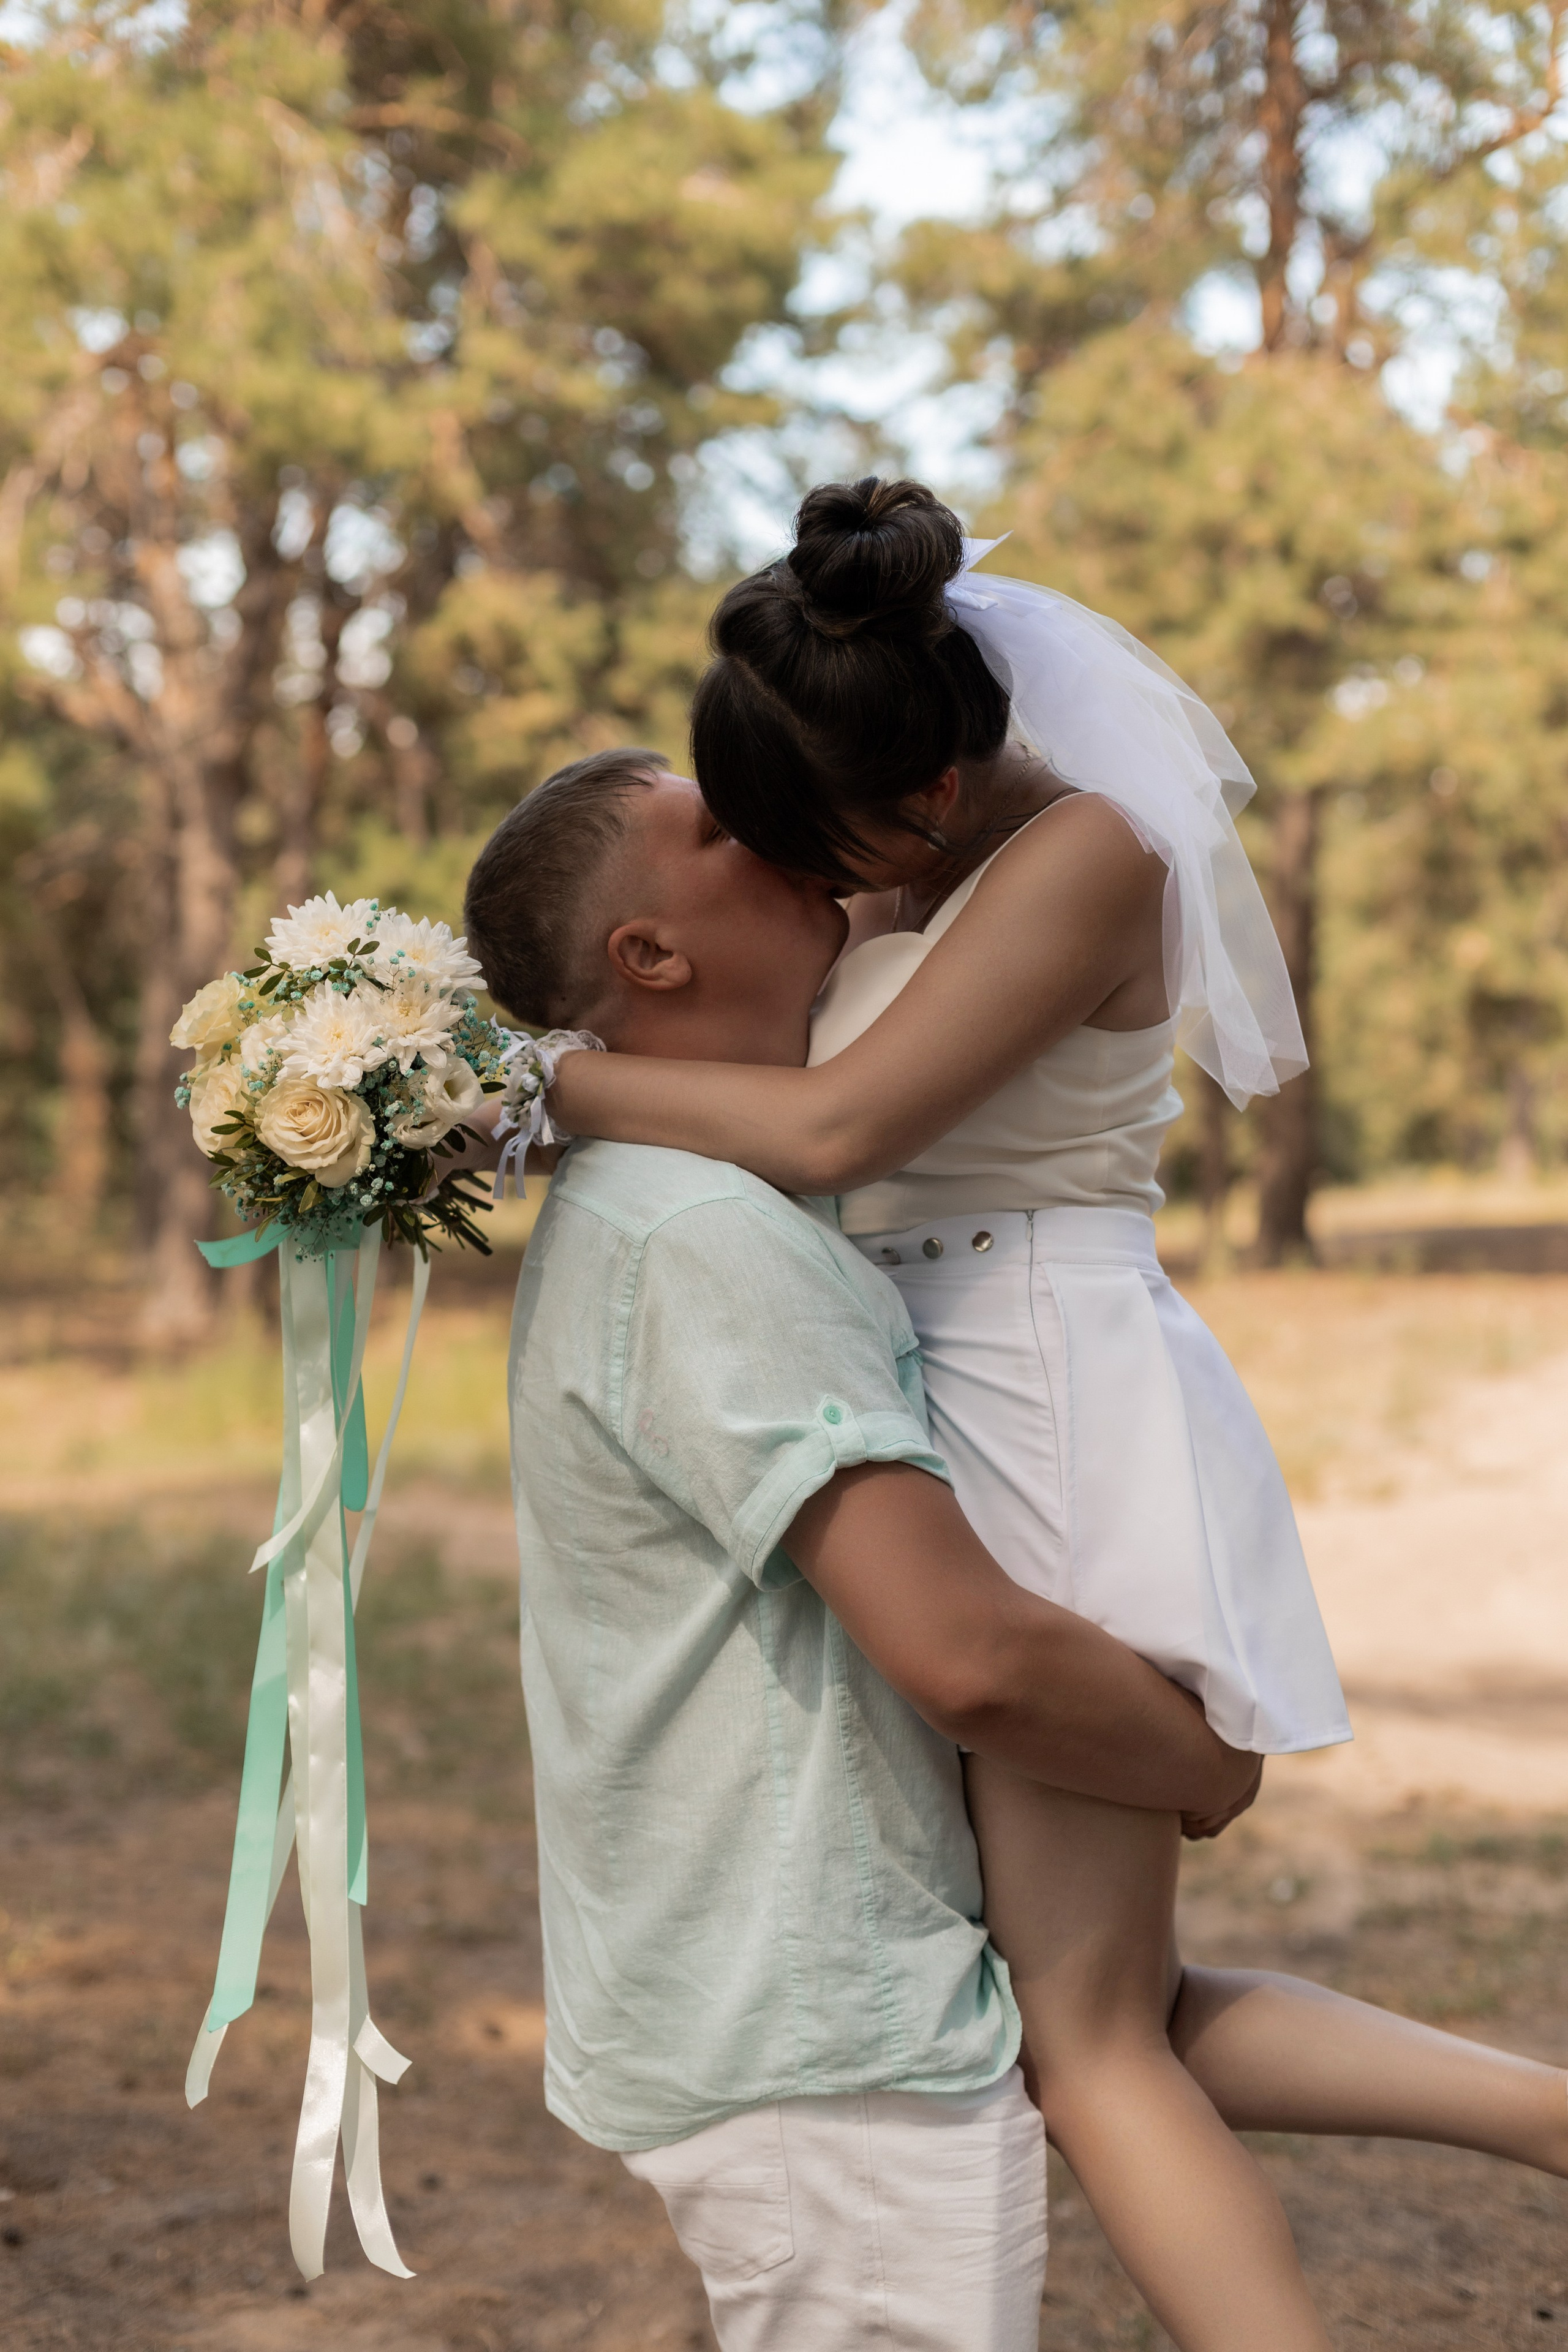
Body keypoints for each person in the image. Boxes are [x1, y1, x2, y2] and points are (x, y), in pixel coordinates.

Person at [528, 483, 1568, 2352]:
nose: (804, 885)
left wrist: (544, 1088)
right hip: (930, 1369)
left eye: (808, 841)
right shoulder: (900, 854)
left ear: (921, 788)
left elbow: (840, 1133)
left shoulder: (1092, 856)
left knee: (1087, 2049)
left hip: (1037, 1384)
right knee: (1091, 2001)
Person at [461, 748, 1262, 2352]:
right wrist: (1195, 1758)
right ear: (648, 957)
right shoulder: (702, 1235)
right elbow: (966, 1652)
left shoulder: (696, 1202)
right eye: (711, 822)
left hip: (812, 2004)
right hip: (822, 2048)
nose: (763, 810)